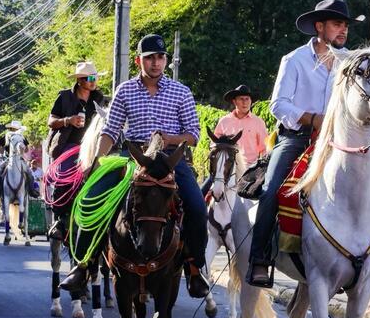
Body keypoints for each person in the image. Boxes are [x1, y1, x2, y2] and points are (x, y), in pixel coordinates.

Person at [246, 0, 370, 287]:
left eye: (345, 25)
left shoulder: (351, 64)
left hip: (334, 142)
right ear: (319, 27)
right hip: (296, 138)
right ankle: (260, 259)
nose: (343, 29)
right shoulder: (293, 60)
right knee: (271, 190)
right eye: (336, 24)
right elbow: (278, 105)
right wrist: (311, 118)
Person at [58, 36, 211, 298]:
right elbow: (110, 130)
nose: (156, 63)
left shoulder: (181, 91)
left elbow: (193, 135)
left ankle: (194, 269)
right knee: (92, 198)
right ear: (139, 60)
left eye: (160, 58)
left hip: (170, 159)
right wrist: (95, 163)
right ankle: (84, 265)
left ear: (165, 61)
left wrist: (167, 138)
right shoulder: (125, 90)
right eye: (150, 58)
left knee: (197, 207)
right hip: (134, 158)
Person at [44, 61, 105, 237]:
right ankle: (60, 218)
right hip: (69, 146)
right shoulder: (64, 97)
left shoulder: (100, 98)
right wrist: (68, 120)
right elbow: (51, 121)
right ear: (79, 80)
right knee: (64, 177)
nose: (94, 81)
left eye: (96, 77)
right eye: (90, 78)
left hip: (95, 147)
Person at [201, 84, 269, 195]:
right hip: (225, 169)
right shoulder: (224, 121)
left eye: (247, 99)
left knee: (266, 195)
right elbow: (214, 145)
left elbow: (264, 149)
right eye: (241, 99)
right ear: (234, 101)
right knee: (202, 194)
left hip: (249, 170)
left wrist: (261, 170)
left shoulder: (258, 122)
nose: (245, 102)